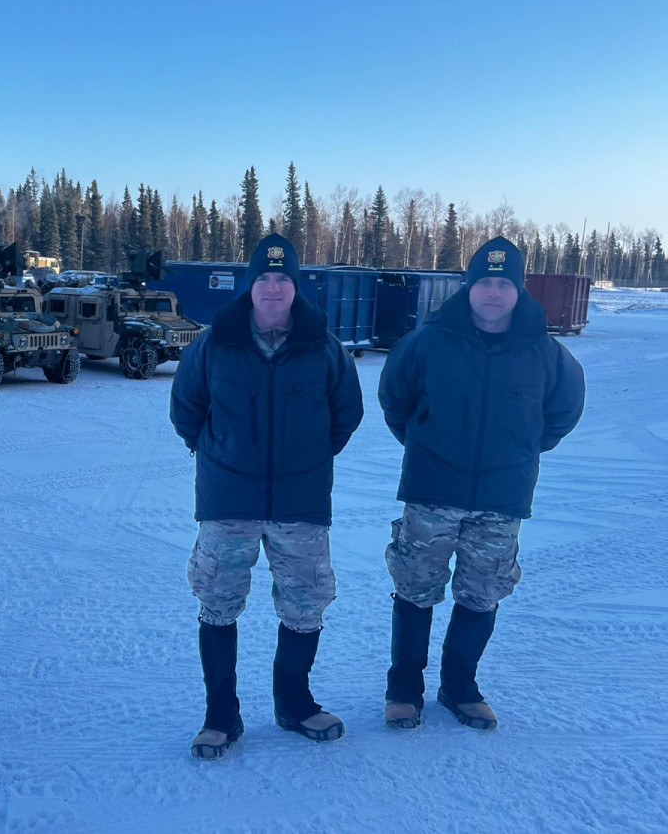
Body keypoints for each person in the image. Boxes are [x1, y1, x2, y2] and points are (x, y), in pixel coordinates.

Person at [378, 236, 585, 731]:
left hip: (502, 497)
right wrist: (426, 446)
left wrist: (519, 453)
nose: (493, 292)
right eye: (485, 281)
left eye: (504, 283)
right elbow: (395, 402)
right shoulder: (427, 342)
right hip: (432, 492)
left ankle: (460, 686)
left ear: (519, 290)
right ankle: (404, 688)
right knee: (416, 587)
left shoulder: (546, 353)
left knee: (482, 592)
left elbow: (562, 413)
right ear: (469, 286)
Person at [170, 233, 364, 759]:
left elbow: (347, 413)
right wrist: (220, 454)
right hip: (227, 502)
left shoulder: (323, 347)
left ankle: (294, 703)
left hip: (301, 503)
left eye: (283, 278)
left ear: (295, 287)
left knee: (305, 604)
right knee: (218, 603)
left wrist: (308, 459)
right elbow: (187, 410)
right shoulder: (214, 342)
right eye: (264, 278)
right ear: (250, 285)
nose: (274, 287)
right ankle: (221, 715)